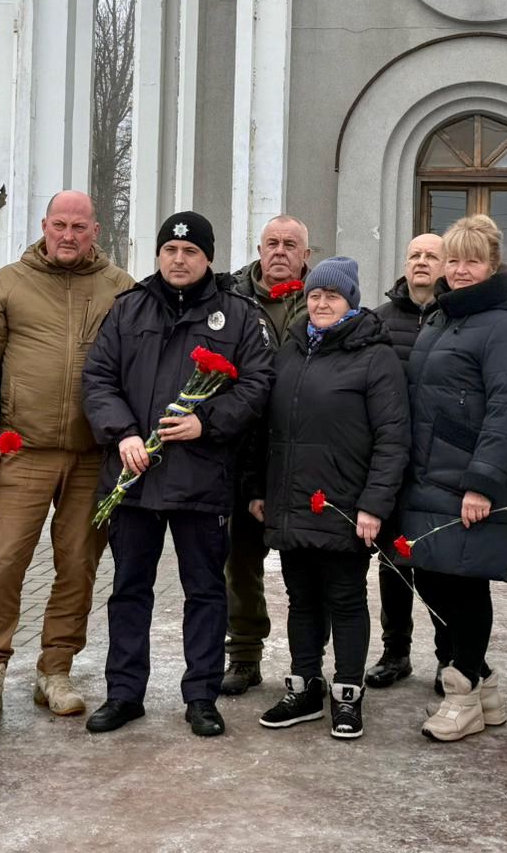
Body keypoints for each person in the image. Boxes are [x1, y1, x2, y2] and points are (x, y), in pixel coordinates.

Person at [81, 211, 275, 737]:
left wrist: (205, 422)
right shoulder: (129, 309)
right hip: (135, 474)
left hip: (202, 476)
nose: (179, 259)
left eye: (191, 252)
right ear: (160, 254)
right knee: (129, 589)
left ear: (208, 257)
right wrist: (121, 433)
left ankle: (201, 696)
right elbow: (98, 377)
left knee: (206, 591)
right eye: (171, 250)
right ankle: (124, 693)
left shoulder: (237, 315)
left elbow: (258, 387)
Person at [0, 191, 135, 728]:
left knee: (78, 563)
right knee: (2, 559)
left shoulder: (120, 288)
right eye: (60, 224)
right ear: (44, 225)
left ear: (95, 230)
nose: (69, 235)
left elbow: (139, 363)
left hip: (90, 456)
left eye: (79, 226)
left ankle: (55, 669)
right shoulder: (9, 283)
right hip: (20, 452)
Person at [248, 256, 410, 739]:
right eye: (315, 294)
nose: (321, 303)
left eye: (332, 296)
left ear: (350, 302)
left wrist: (373, 505)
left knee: (344, 599)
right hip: (293, 500)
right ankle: (304, 688)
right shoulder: (294, 349)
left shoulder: (374, 355)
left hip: (344, 504)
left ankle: (347, 693)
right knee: (300, 599)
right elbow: (265, 426)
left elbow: (392, 438)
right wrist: (258, 489)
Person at [400, 215, 507, 742]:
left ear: (493, 265)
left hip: (469, 479)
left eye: (471, 260)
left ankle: (463, 691)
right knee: (433, 578)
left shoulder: (506, 325)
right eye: (452, 260)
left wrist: (482, 482)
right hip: (429, 472)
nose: (458, 270)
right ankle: (486, 690)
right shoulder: (441, 316)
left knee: (463, 584)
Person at [216, 214, 311, 696]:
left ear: (305, 256)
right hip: (240, 449)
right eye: (272, 242)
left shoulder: (321, 303)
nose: (279, 251)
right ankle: (245, 654)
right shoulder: (229, 300)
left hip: (302, 452)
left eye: (290, 244)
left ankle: (307, 662)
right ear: (259, 248)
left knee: (305, 565)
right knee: (240, 561)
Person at [364, 232, 453, 692]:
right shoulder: (379, 322)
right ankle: (395, 651)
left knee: (438, 565)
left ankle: (447, 656)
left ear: (445, 265)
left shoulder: (457, 318)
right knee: (393, 564)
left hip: (439, 467)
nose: (421, 262)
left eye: (431, 256)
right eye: (415, 255)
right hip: (393, 466)